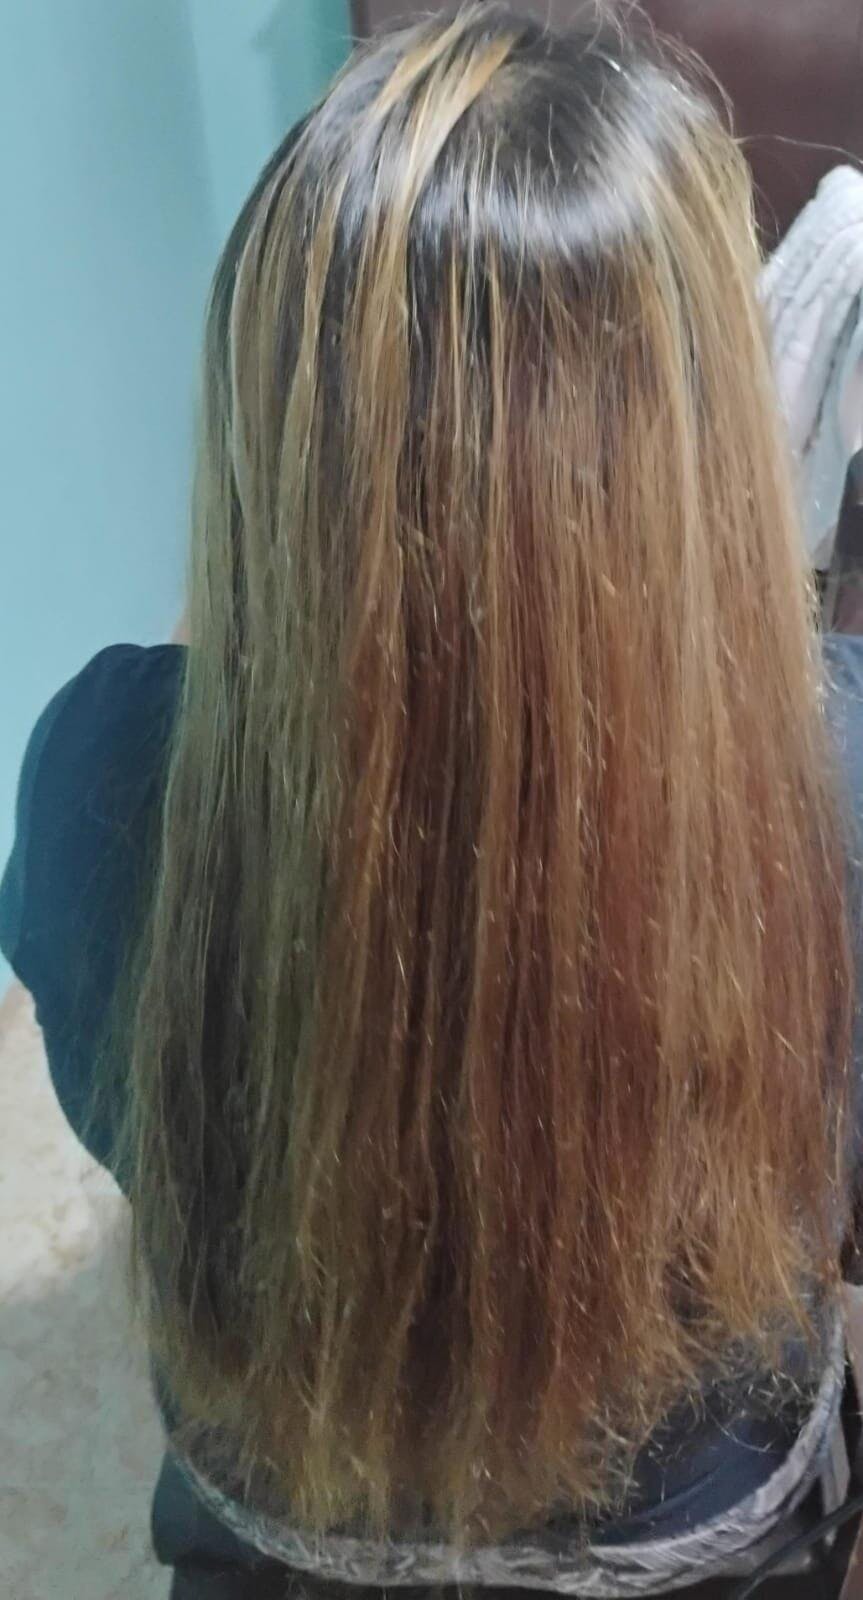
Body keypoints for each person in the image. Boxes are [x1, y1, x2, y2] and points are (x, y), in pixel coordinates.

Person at [3, 5, 863, 1595]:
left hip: (276, 1532)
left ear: (273, 411)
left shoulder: (96, 775)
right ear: (714, 429)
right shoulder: (843, 793)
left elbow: (136, 1131)